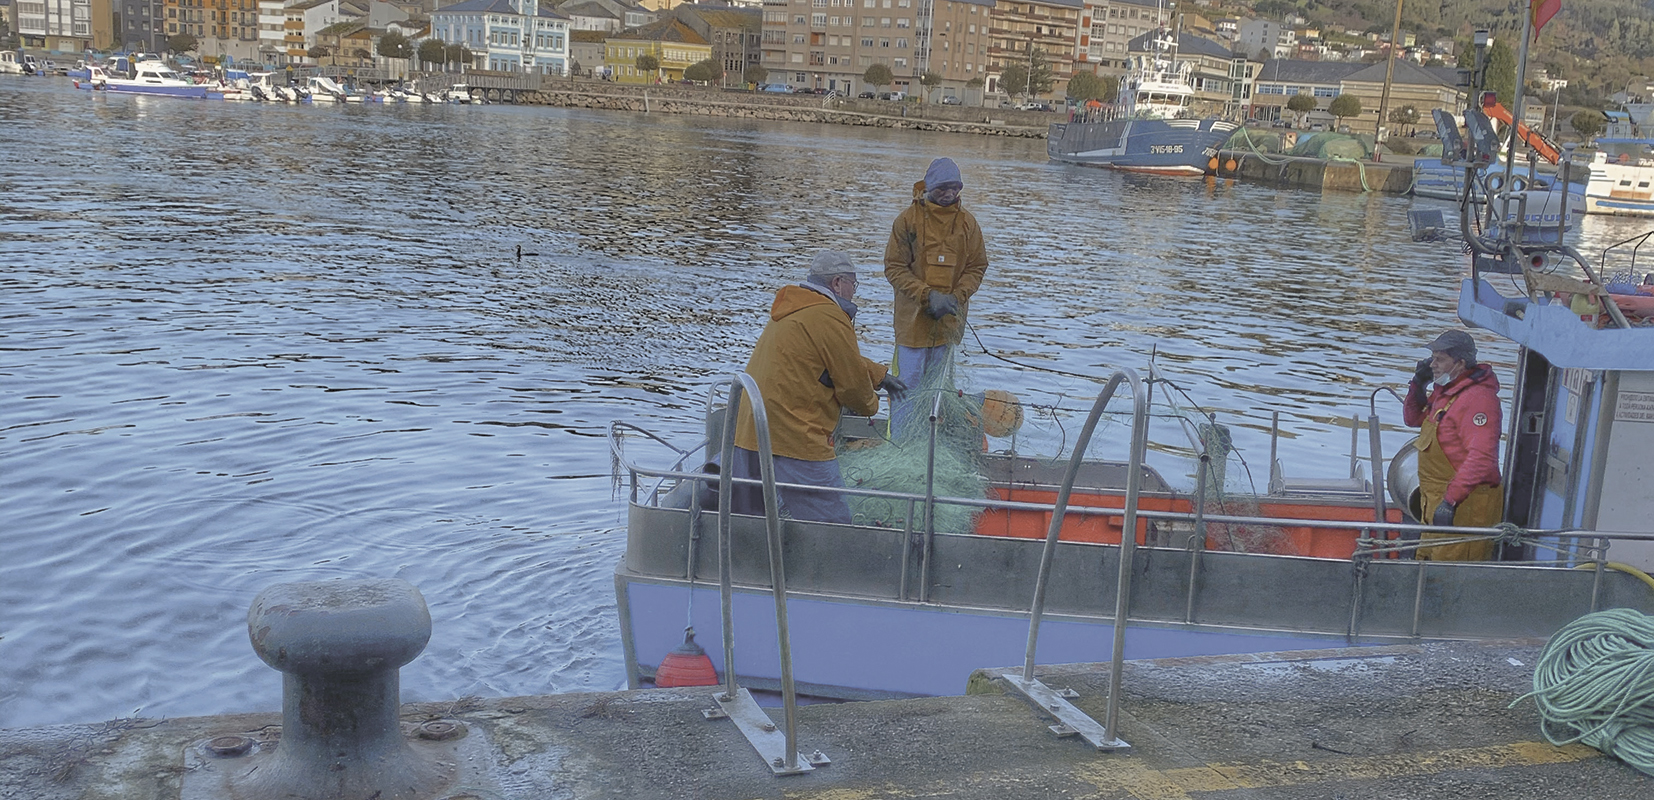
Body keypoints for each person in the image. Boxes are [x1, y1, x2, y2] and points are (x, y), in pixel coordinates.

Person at [727, 251, 907, 524]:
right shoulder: (830, 316)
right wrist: (873, 404)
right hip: (794, 438)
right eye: (853, 285)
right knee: (832, 527)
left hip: (749, 433)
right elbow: (853, 389)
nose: (854, 293)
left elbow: (829, 356)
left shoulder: (794, 308)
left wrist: (879, 376)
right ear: (837, 283)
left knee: (752, 526)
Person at [883, 157, 989, 432]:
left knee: (938, 392)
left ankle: (930, 441)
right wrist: (927, 295)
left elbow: (977, 267)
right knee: (905, 388)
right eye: (942, 188)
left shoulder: (968, 224)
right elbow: (894, 268)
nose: (948, 194)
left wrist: (956, 297)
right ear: (930, 187)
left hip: (948, 326)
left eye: (954, 188)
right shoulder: (907, 221)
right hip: (911, 327)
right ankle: (900, 444)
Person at [1402, 329, 1504, 561]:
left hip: (1464, 506)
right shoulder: (1446, 393)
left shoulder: (1478, 399)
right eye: (1432, 358)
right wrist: (1417, 385)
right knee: (1426, 565)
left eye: (1439, 359)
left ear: (1460, 363)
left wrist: (1451, 501)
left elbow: (1482, 458)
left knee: (1451, 573)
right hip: (1434, 503)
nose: (1433, 365)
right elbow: (1412, 419)